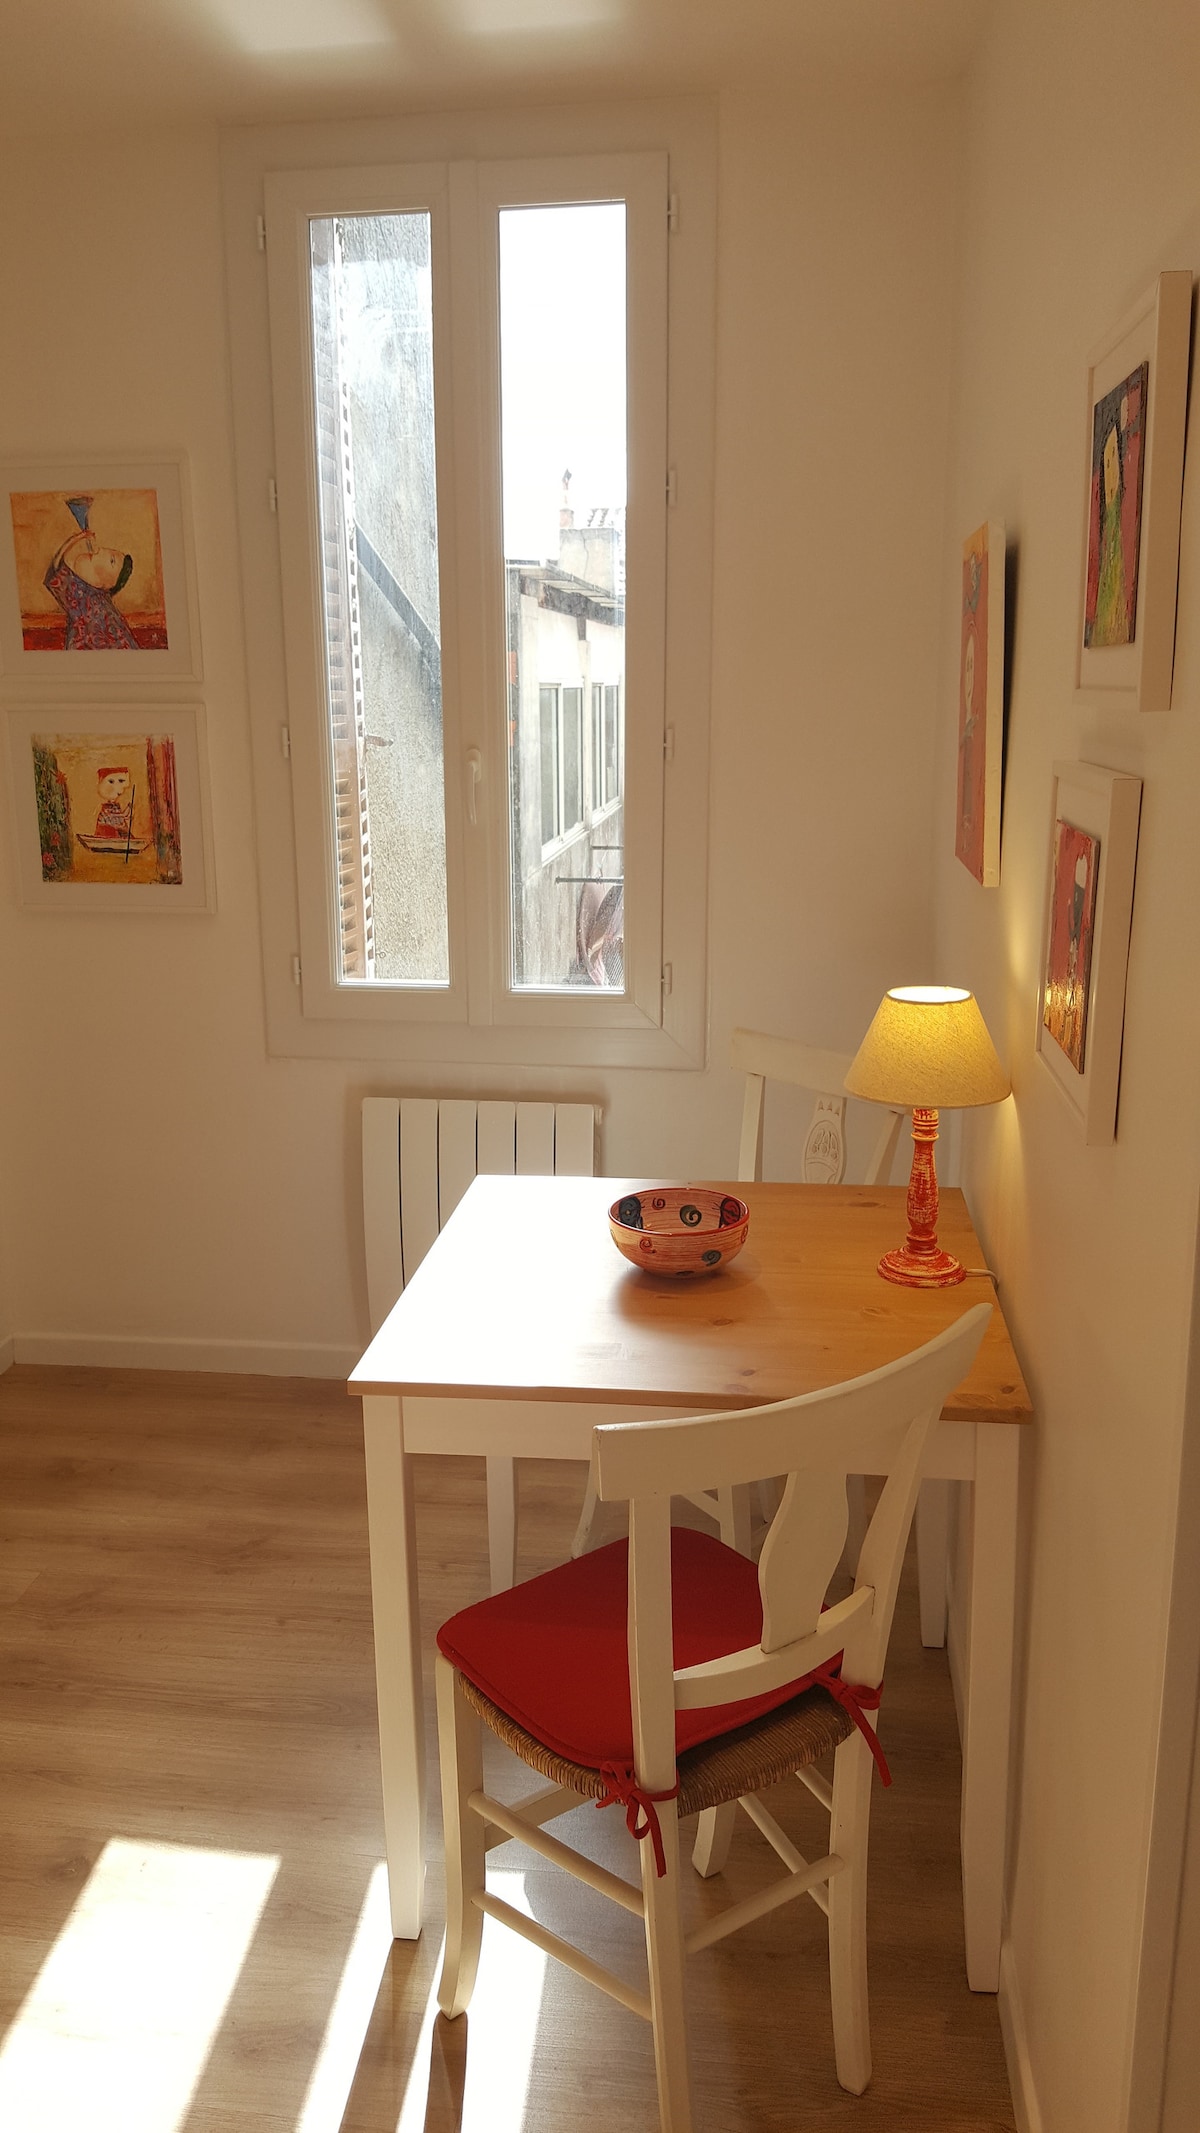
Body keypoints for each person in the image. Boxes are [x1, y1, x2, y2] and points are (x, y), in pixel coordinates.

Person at [43, 496, 139, 650]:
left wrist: (74, 540)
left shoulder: (90, 600)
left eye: (112, 560)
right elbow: (54, 574)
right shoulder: (84, 592)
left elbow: (54, 574)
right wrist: (75, 539)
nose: (100, 550)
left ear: (104, 585)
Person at [92, 767, 133, 842]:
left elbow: (119, 818)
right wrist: (123, 815)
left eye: (121, 781)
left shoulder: (116, 806)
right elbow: (109, 817)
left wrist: (125, 814)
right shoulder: (106, 807)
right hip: (107, 831)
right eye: (111, 781)